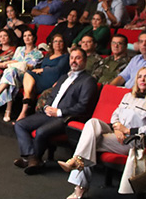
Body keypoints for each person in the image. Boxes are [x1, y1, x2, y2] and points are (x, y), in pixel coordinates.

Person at [59, 67, 146, 199]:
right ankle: (78, 164)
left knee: (90, 140)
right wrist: (117, 128)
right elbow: (115, 115)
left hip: (132, 140)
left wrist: (127, 131)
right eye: (140, 76)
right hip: (116, 133)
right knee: (92, 123)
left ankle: (79, 182)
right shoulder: (128, 96)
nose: (142, 79)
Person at [14, 47, 97, 175]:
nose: (74, 61)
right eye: (72, 57)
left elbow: (83, 106)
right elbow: (51, 96)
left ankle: (30, 159)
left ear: (85, 61)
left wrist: (58, 112)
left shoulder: (88, 81)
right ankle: (32, 158)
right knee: (20, 125)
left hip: (66, 117)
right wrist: (47, 107)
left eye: (78, 58)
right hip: (49, 113)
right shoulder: (64, 77)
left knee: (41, 132)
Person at [0, 28, 43, 122]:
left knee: (10, 71)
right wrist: (16, 64)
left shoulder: (38, 53)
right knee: (11, 73)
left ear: (34, 38)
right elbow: (11, 63)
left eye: (29, 36)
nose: (27, 38)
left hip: (26, 78)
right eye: (25, 36)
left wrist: (16, 64)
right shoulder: (19, 49)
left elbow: (29, 66)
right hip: (14, 74)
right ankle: (7, 110)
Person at [17, 34, 70, 121]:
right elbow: (43, 66)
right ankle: (24, 109)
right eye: (55, 41)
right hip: (42, 78)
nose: (58, 43)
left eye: (60, 41)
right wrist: (42, 70)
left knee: (31, 84)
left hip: (53, 80)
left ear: (64, 44)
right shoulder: (48, 55)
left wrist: (42, 70)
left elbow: (57, 70)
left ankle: (24, 110)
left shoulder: (65, 56)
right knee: (28, 73)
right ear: (52, 44)